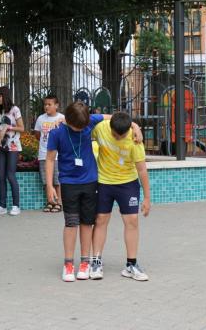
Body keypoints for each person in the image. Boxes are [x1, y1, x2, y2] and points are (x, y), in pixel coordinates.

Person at [46, 102, 142, 282]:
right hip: (68, 183)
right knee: (71, 222)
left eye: (83, 127)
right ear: (67, 120)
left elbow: (114, 118)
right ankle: (68, 263)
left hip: (90, 181)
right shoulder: (57, 132)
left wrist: (135, 126)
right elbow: (50, 159)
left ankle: (85, 261)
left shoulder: (88, 121)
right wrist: (50, 185)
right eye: (77, 127)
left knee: (87, 222)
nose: (81, 130)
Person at [90, 112, 151, 281]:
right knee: (101, 219)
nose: (118, 138)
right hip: (103, 181)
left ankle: (131, 264)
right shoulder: (100, 128)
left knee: (132, 221)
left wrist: (147, 197)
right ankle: (96, 261)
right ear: (110, 128)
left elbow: (142, 170)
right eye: (115, 135)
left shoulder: (135, 139)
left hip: (127, 183)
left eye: (121, 136)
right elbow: (83, 124)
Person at [0, 86, 24, 216]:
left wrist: (9, 127)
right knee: (0, 176)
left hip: (13, 147)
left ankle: (16, 206)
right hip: (2, 148)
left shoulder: (15, 110)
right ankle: (2, 206)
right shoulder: (0, 112)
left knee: (10, 175)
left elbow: (22, 128)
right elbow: (0, 130)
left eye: (0, 96)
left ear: (5, 96)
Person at [34, 95, 64, 213]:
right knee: (47, 181)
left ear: (56, 105)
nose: (46, 106)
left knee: (57, 180)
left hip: (57, 156)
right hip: (43, 154)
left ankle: (59, 202)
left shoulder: (62, 118)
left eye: (49, 104)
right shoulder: (41, 118)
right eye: (45, 104)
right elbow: (37, 134)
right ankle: (50, 201)